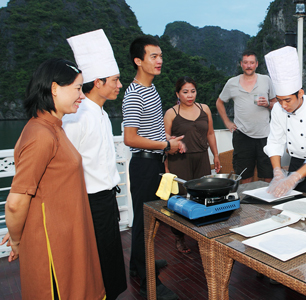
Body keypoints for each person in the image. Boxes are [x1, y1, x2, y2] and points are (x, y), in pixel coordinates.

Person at [0, 58, 105, 299]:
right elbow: (15, 202)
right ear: (55, 88)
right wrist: (17, 239)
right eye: (77, 88)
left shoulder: (53, 128)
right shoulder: (41, 134)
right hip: (53, 246)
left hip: (67, 234)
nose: (81, 95)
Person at [62, 29, 127, 299]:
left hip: (106, 198)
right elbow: (65, 164)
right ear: (98, 82)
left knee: (109, 258)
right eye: (115, 80)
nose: (119, 85)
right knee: (96, 262)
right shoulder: (76, 116)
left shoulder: (100, 112)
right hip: (89, 202)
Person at [122, 36, 182, 300]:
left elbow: (153, 128)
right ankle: (150, 284)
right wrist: (165, 144)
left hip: (154, 161)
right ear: (139, 61)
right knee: (146, 222)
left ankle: (138, 266)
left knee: (146, 218)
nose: (159, 61)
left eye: (160, 56)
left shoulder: (151, 89)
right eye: (153, 57)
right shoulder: (135, 93)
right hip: (144, 164)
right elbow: (130, 137)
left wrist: (166, 146)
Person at [263, 46, 306, 199]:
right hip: (295, 163)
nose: (283, 105)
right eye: (279, 100)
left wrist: (295, 178)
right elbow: (275, 141)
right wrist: (277, 172)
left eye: (287, 100)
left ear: (300, 93)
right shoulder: (277, 109)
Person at [164, 76, 221, 253]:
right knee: (181, 199)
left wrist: (216, 155)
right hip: (180, 160)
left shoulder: (204, 109)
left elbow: (210, 133)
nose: (190, 95)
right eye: (185, 92)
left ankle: (200, 233)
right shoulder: (171, 113)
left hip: (201, 158)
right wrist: (166, 166)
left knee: (203, 196)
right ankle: (179, 236)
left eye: (193, 91)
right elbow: (165, 140)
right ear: (177, 94)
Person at [216, 50, 276, 184]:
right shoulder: (232, 83)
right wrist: (227, 122)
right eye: (246, 63)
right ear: (241, 64)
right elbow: (219, 102)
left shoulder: (266, 80)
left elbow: (276, 103)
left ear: (256, 64)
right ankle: (245, 201)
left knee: (268, 173)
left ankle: (267, 202)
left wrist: (268, 104)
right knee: (244, 174)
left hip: (265, 135)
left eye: (252, 63)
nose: (249, 66)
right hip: (242, 135)